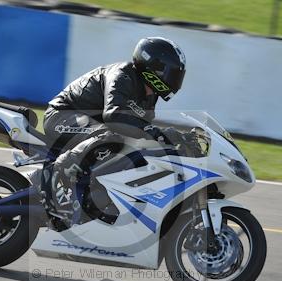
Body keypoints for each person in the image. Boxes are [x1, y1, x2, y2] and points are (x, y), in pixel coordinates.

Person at [41, 37, 186, 227]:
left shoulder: (149, 99)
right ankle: (58, 171)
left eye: (177, 75)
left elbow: (140, 132)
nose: (174, 80)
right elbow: (114, 115)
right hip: (61, 116)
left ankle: (91, 196)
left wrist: (175, 139)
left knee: (130, 152)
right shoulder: (122, 75)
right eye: (171, 73)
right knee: (107, 135)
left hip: (89, 129)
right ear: (153, 67)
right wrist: (157, 133)